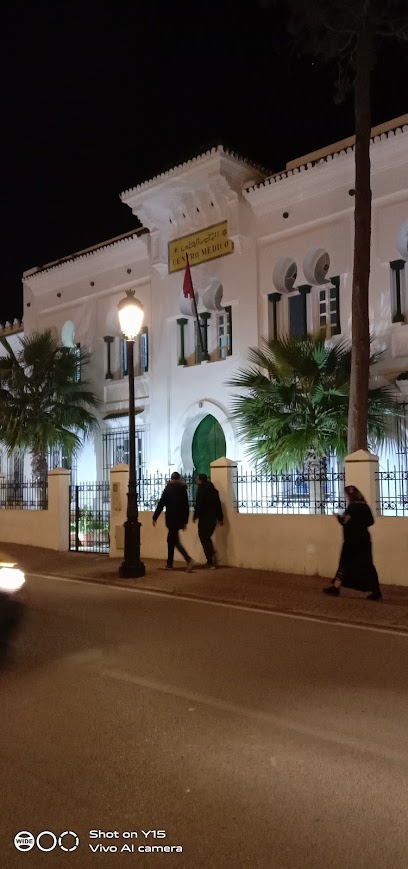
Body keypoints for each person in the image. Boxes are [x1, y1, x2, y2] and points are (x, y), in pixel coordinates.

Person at [324, 485, 382, 600]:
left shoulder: (353, 507)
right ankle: (376, 591)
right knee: (368, 565)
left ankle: (336, 588)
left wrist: (338, 517)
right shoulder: (364, 506)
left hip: (351, 541)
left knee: (344, 563)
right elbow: (370, 522)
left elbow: (345, 521)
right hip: (364, 540)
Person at [152, 472, 194, 571]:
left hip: (171, 518)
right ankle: (169, 563)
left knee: (174, 541)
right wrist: (185, 521)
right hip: (179, 519)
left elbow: (161, 503)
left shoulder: (168, 489)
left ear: (171, 479)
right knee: (171, 540)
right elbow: (186, 506)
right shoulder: (183, 490)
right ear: (179, 479)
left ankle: (188, 559)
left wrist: (155, 517)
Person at [193, 473, 223, 569]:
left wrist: (195, 515)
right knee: (206, 537)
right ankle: (211, 557)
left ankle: (210, 560)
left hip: (204, 518)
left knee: (204, 537)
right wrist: (220, 518)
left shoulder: (201, 490)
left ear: (200, 480)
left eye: (197, 480)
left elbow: (199, 504)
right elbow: (218, 505)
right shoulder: (214, 491)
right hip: (213, 518)